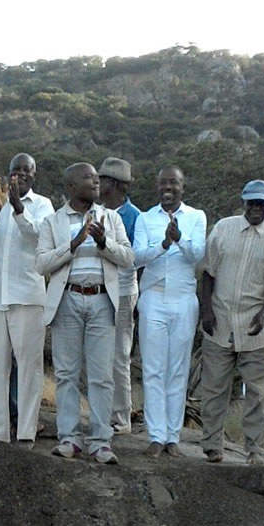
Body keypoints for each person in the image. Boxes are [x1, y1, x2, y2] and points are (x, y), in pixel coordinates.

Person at [36, 163, 134, 463]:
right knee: (65, 374)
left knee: (102, 376)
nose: (96, 182)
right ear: (70, 187)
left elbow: (128, 257)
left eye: (96, 178)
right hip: (67, 300)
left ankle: (100, 441)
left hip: (102, 301)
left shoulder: (111, 217)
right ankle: (69, 438)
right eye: (89, 178)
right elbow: (41, 265)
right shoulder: (53, 222)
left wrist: (104, 242)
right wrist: (74, 244)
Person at [198, 180, 264, 465]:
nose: (257, 209)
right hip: (220, 319)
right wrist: (206, 311)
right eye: (252, 203)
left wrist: (263, 315)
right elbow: (208, 272)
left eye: (262, 204)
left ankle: (255, 449)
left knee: (257, 392)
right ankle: (212, 445)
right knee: (214, 388)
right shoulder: (223, 228)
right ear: (244, 202)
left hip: (256, 326)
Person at [0, 153, 55, 446]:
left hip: (28, 296)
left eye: (27, 170)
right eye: (16, 170)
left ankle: (25, 432)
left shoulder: (44, 205)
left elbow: (40, 240)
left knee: (29, 368)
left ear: (33, 176)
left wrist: (19, 210)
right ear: (9, 173)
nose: (21, 174)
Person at [134, 166, 206, 459]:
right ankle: (155, 435)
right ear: (157, 186)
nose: (168, 187)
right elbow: (136, 257)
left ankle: (173, 437)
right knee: (153, 369)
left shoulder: (197, 217)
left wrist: (179, 239)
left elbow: (199, 255)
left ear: (183, 187)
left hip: (183, 298)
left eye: (173, 183)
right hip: (153, 296)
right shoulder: (144, 218)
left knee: (177, 370)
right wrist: (164, 244)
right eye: (163, 182)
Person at [97, 157, 142, 435]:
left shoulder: (134, 216)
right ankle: (103, 412)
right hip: (101, 288)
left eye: (101, 179)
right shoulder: (97, 211)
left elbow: (135, 259)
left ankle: (122, 417)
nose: (97, 183)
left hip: (124, 290)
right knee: (99, 355)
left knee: (119, 356)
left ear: (112, 183)